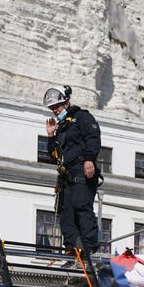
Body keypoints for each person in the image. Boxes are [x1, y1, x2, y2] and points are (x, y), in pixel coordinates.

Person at [43, 84, 102, 256]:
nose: (55, 110)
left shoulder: (82, 117)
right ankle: (73, 249)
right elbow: (55, 156)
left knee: (82, 208)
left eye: (57, 106)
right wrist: (50, 136)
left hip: (82, 172)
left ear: (67, 103)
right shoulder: (61, 127)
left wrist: (89, 159)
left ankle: (89, 249)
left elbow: (93, 137)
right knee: (65, 213)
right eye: (52, 108)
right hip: (66, 177)